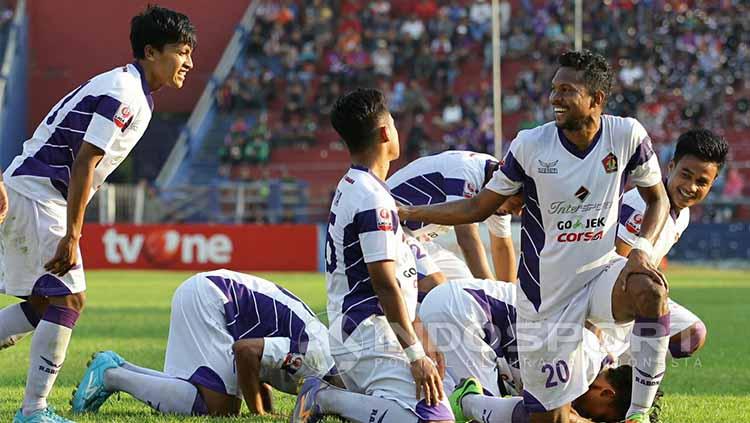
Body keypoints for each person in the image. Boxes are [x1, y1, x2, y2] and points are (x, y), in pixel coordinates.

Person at [399, 51, 671, 423]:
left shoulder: (626, 135)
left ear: (597, 99)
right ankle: (470, 402)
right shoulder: (530, 145)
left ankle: (637, 414)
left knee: (651, 291)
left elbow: (658, 198)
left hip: (599, 275)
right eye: (554, 89)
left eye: (567, 90)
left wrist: (641, 251)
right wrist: (412, 213)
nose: (555, 99)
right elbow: (478, 208)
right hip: (546, 297)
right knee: (549, 419)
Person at [0, 6, 195, 422]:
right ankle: (33, 411)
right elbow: (86, 160)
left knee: (41, 305)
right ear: (151, 51)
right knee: (68, 298)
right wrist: (73, 235)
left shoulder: (130, 88)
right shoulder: (126, 93)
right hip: (40, 195)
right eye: (182, 52)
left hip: (29, 190)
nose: (189, 63)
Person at [290, 88, 453, 423]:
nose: (396, 130)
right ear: (384, 133)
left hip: (359, 330)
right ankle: (324, 397)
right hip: (368, 333)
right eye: (392, 123)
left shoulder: (356, 185)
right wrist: (414, 354)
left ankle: (351, 399)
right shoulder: (372, 197)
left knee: (435, 401)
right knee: (435, 420)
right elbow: (384, 283)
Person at [70, 269, 338, 417]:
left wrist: (267, 410)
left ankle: (119, 367)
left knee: (209, 397)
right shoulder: (317, 357)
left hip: (209, 293)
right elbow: (246, 352)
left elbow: (261, 364)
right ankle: (111, 377)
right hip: (211, 299)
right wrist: (259, 414)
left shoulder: (323, 353)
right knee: (219, 407)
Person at [419, 278, 663, 423]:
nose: (594, 418)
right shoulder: (585, 361)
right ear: (607, 394)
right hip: (465, 313)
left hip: (459, 310)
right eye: (602, 418)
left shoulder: (592, 358)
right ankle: (467, 399)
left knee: (435, 411)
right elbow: (542, 411)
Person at [611, 128, 729, 360]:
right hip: (612, 297)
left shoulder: (682, 214)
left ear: (712, 183)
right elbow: (614, 267)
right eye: (686, 175)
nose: (691, 187)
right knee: (591, 391)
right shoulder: (640, 206)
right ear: (671, 166)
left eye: (702, 182)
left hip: (638, 295)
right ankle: (617, 366)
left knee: (692, 334)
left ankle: (630, 366)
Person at [387, 150, 516, 282]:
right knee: (435, 283)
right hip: (391, 229)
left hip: (417, 238)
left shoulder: (498, 184)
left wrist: (508, 297)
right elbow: (467, 238)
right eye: (517, 203)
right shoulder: (466, 170)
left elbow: (502, 247)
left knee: (466, 289)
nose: (518, 212)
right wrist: (492, 295)